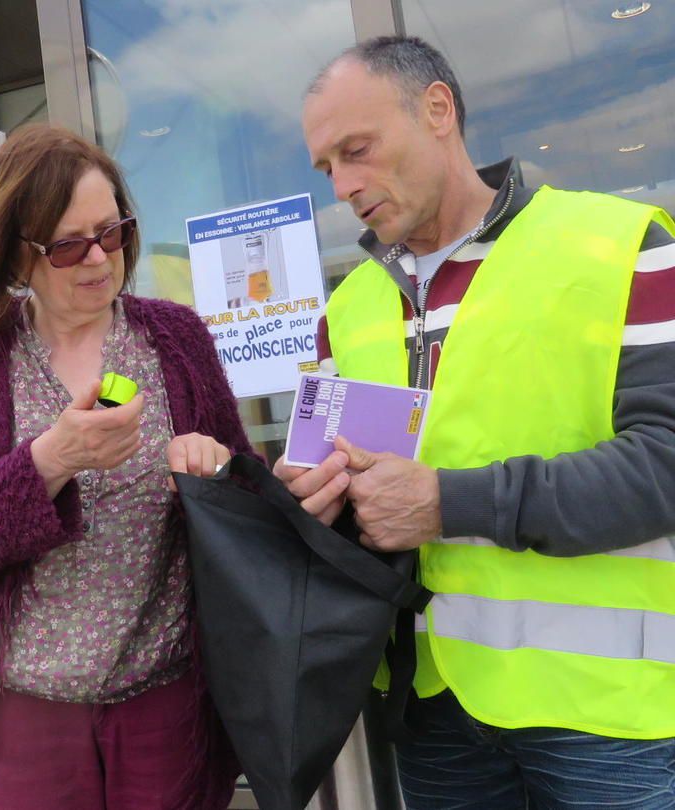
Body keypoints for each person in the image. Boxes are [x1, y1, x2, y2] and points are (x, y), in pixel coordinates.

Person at [279, 35, 675, 808]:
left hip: (604, 715)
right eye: (328, 168)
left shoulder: (621, 246)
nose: (344, 186)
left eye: (357, 150)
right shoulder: (348, 309)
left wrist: (448, 503)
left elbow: (667, 460)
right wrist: (312, 497)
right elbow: (334, 495)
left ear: (437, 110)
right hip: (431, 712)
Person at [0, 124, 249, 810]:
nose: (98, 258)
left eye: (111, 232)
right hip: (25, 708)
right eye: (67, 245)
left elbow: (245, 492)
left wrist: (217, 470)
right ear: (15, 254)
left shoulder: (174, 338)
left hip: (168, 694)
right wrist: (49, 460)